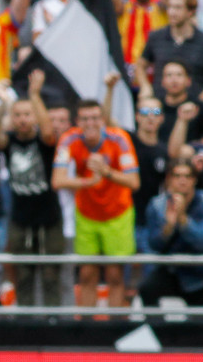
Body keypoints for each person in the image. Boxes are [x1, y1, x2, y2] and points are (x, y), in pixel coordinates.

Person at [52, 99, 140, 307]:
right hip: (86, 215)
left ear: (103, 120)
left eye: (94, 118)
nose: (90, 123)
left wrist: (106, 172)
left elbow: (134, 182)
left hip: (117, 214)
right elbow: (57, 180)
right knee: (86, 274)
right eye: (85, 119)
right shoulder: (68, 139)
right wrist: (88, 181)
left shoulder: (120, 139)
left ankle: (114, 326)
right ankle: (87, 327)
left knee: (115, 275)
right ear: (77, 121)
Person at [0, 71, 63, 306]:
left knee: (51, 274)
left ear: (35, 116)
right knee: (23, 275)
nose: (22, 119)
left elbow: (49, 131)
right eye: (18, 115)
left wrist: (34, 95)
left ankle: (52, 319)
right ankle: (27, 318)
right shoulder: (9, 141)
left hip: (48, 217)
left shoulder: (44, 141)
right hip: (20, 217)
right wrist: (2, 102)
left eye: (27, 114)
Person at [141, 158, 203, 307]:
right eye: (177, 176)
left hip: (201, 274)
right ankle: (159, 331)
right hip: (171, 270)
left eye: (187, 176)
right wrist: (168, 227)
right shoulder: (157, 204)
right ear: (169, 179)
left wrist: (183, 220)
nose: (182, 181)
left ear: (194, 180)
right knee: (147, 289)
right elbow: (153, 245)